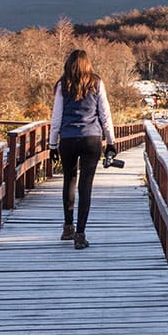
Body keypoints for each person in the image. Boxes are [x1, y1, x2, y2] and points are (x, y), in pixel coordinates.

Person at [49, 49, 117, 249]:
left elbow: (56, 118)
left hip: (68, 139)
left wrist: (53, 144)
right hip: (91, 139)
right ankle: (80, 234)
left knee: (69, 180)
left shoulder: (63, 85)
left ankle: (68, 226)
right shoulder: (96, 83)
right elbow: (105, 114)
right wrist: (111, 142)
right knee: (85, 185)